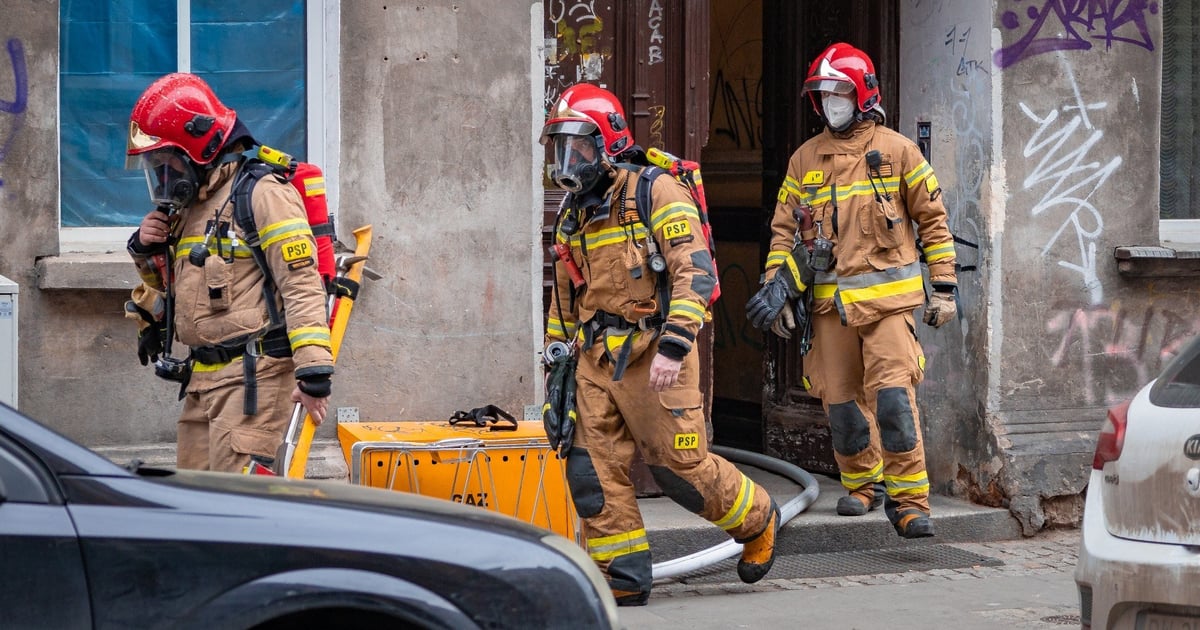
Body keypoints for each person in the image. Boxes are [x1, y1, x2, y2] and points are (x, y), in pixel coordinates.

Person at [541, 83, 780, 605]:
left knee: (679, 471)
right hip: (595, 359)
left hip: (654, 355)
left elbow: (694, 271)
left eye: (578, 145)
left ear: (608, 142)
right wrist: (556, 362)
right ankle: (624, 578)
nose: (568, 158)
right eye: (560, 146)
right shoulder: (574, 211)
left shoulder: (655, 192)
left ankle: (759, 520)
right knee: (590, 470)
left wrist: (675, 345)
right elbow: (565, 295)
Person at [746, 43, 958, 539]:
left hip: (887, 307)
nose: (830, 101)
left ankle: (909, 501)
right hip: (828, 307)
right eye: (823, 94)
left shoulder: (898, 150)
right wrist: (778, 290)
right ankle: (863, 485)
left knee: (893, 403)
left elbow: (933, 221)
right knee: (840, 404)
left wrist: (943, 286)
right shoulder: (805, 159)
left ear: (862, 93)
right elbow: (783, 231)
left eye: (839, 91)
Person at [124, 73, 334, 473]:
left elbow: (302, 284)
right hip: (202, 382)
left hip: (253, 383)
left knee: (240, 514)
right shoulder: (194, 206)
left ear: (198, 149)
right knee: (196, 509)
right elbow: (180, 291)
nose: (163, 177)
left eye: (167, 163)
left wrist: (313, 372)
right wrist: (147, 251)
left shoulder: (263, 192)